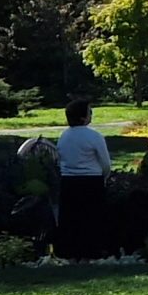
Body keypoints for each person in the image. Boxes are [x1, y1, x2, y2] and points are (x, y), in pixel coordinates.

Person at [52, 98, 112, 260]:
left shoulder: (64, 136)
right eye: (89, 112)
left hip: (69, 180)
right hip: (91, 180)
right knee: (92, 218)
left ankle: (70, 250)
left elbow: (60, 158)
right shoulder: (94, 137)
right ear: (83, 117)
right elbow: (105, 163)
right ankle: (92, 250)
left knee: (71, 218)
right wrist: (104, 177)